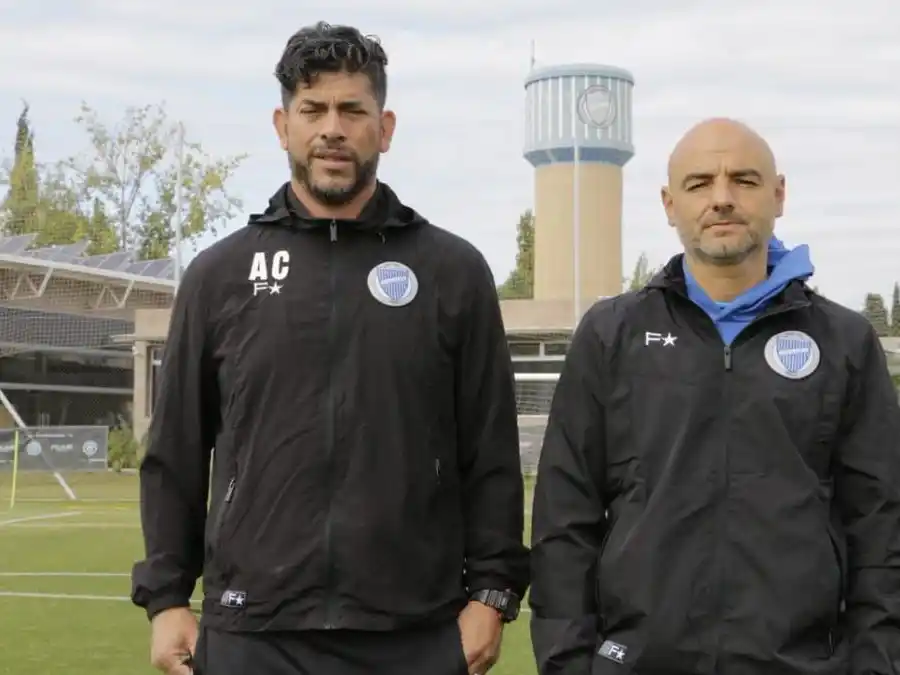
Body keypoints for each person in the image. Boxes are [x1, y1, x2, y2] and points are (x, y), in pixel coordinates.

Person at [130, 21, 529, 675]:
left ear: (386, 126)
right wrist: (168, 598)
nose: (333, 129)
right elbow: (175, 450)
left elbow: (490, 453)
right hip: (254, 630)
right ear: (282, 124)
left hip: (417, 632)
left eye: (353, 110)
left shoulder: (454, 272)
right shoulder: (219, 275)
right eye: (313, 110)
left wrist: (492, 594)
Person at [529, 117, 900, 675]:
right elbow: (564, 518)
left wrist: (874, 664)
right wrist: (569, 663)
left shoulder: (844, 341)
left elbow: (880, 525)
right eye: (700, 183)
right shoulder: (612, 334)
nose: (722, 198)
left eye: (744, 181)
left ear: (778, 194)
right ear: (669, 203)